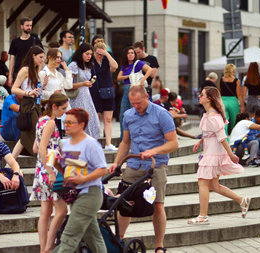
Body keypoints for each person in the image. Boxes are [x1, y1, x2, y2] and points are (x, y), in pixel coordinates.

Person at [109, 85, 178, 253]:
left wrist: (153, 151)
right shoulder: (128, 115)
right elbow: (125, 142)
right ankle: (119, 240)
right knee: (123, 203)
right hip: (133, 164)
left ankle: (159, 246)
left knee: (158, 206)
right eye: (132, 103)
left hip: (156, 165)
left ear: (147, 96)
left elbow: (173, 143)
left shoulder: (162, 114)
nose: (136, 107)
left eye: (139, 103)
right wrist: (117, 162)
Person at [189, 86, 250, 225]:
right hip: (212, 151)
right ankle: (241, 200)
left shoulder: (212, 116)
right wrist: (201, 141)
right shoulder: (211, 114)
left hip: (214, 153)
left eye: (202, 94)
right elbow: (211, 133)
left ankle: (203, 216)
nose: (199, 96)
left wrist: (231, 155)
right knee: (214, 185)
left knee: (202, 182)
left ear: (209, 98)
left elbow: (222, 137)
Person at [53, 108, 108, 253]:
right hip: (74, 193)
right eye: (65, 122)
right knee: (93, 237)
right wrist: (56, 164)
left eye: (70, 122)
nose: (66, 125)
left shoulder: (91, 144)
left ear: (82, 125)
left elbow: (103, 169)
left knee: (69, 237)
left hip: (90, 193)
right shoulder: (66, 144)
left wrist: (84, 178)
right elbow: (68, 172)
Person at [31, 93, 69, 253]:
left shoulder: (41, 120)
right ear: (54, 106)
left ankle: (43, 249)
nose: (64, 112)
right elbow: (40, 148)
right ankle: (48, 247)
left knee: (45, 212)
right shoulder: (51, 123)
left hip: (41, 169)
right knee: (61, 210)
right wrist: (51, 172)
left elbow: (35, 147)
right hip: (50, 169)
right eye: (63, 108)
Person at [11, 46, 44, 155]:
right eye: (40, 57)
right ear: (33, 56)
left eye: (43, 57)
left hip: (36, 103)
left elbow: (36, 87)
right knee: (35, 132)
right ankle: (39, 157)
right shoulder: (25, 70)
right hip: (28, 103)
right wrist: (28, 93)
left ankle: (10, 163)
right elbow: (14, 88)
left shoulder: (36, 70)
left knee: (25, 136)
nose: (42, 60)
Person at [117, 46, 154, 140]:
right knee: (123, 114)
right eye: (128, 53)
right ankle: (124, 138)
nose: (130, 54)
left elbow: (150, 69)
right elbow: (118, 78)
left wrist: (143, 80)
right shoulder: (124, 66)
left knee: (135, 113)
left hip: (134, 89)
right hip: (126, 90)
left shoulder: (137, 63)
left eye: (132, 53)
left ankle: (135, 137)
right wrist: (129, 76)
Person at [68, 43, 101, 139]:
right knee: (80, 121)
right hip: (77, 97)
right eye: (87, 54)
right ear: (81, 53)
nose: (89, 56)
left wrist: (88, 83)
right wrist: (83, 84)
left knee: (92, 121)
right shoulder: (74, 65)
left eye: (91, 54)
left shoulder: (88, 65)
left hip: (87, 95)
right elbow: (68, 85)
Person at [91, 39, 119, 151]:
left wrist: (106, 54)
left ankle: (108, 143)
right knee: (96, 118)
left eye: (101, 54)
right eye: (97, 54)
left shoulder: (107, 57)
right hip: (94, 90)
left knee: (108, 119)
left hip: (107, 90)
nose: (99, 56)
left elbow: (115, 67)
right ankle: (95, 142)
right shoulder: (91, 59)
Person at [7, 17, 43, 88]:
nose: (29, 27)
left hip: (32, 72)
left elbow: (41, 58)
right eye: (27, 25)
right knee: (17, 94)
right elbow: (12, 59)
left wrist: (38, 73)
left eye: (30, 25)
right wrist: (10, 76)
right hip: (18, 71)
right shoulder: (15, 42)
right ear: (21, 26)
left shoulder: (36, 41)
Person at [218, 63, 243, 135]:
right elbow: (239, 94)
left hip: (223, 101)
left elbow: (219, 92)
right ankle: (234, 137)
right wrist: (242, 105)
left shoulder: (221, 80)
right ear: (232, 71)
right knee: (234, 122)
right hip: (233, 101)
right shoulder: (237, 81)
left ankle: (225, 138)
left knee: (224, 121)